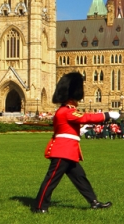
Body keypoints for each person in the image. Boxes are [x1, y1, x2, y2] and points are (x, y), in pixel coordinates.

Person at [33, 72, 115, 214]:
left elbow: (69, 128)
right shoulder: (66, 111)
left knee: (80, 178)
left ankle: (93, 202)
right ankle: (40, 206)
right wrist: (106, 115)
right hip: (62, 151)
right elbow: (85, 117)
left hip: (69, 151)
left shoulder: (65, 111)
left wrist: (79, 131)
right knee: (51, 180)